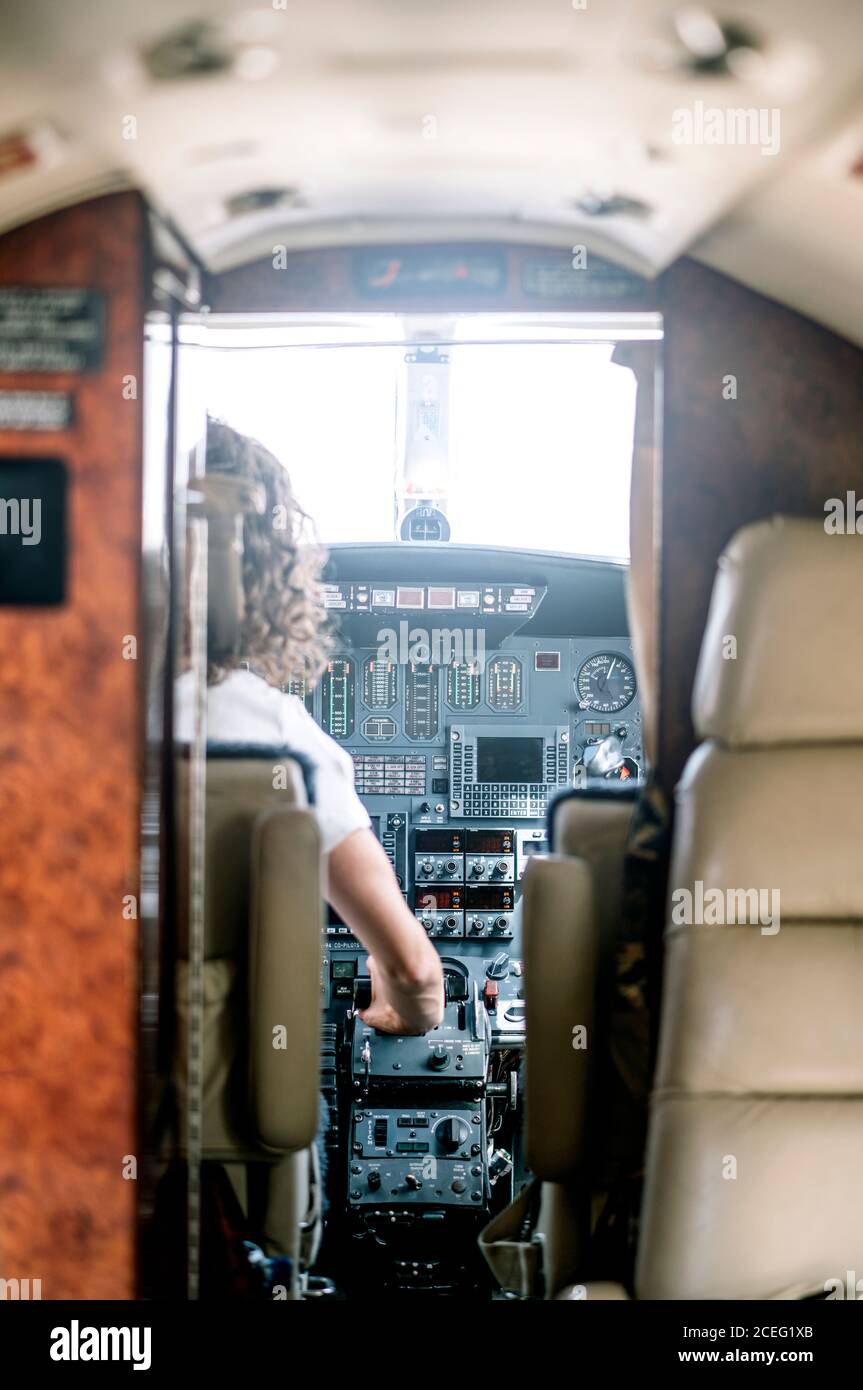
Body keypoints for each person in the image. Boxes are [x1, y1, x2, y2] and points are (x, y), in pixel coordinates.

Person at [175, 417, 444, 1035]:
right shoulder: (269, 731)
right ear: (252, 569)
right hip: (231, 1122)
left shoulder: (52, 721)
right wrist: (401, 1011)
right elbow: (416, 973)